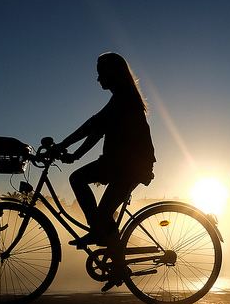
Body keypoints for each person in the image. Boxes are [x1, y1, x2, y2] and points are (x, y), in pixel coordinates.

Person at [55, 52, 155, 248]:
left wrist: (62, 146)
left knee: (79, 181)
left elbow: (94, 123)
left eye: (101, 72)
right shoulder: (123, 96)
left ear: (113, 73)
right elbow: (98, 131)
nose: (98, 77)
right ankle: (108, 246)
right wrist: (75, 154)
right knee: (103, 215)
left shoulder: (125, 96)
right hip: (124, 164)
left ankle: (100, 234)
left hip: (128, 166)